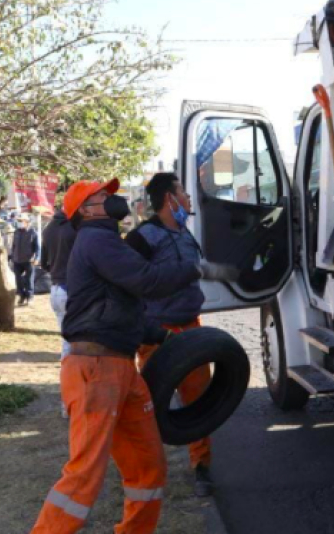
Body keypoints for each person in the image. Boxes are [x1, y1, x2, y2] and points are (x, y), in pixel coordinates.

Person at [31, 178, 238, 534]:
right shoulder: (96, 240)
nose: (114, 199)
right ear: (86, 209)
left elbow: (124, 308)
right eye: (103, 196)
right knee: (84, 478)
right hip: (96, 370)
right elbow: (147, 281)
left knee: (148, 468)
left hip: (119, 368)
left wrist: (163, 337)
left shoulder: (107, 241)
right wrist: (197, 269)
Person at [126, 173, 216, 497]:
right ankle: (147, 470)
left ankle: (202, 466)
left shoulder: (186, 233)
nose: (188, 197)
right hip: (156, 336)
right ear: (169, 198)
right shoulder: (143, 237)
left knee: (198, 404)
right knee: (149, 409)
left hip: (190, 329)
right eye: (182, 192)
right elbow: (126, 282)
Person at [40, 202, 75, 418]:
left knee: (67, 347)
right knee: (74, 350)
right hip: (71, 290)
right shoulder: (76, 229)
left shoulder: (49, 228)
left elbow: (44, 263)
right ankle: (70, 403)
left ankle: (67, 405)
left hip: (56, 290)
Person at [11, 212, 40, 306]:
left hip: (29, 260)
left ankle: (30, 297)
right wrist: (12, 257)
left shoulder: (33, 233)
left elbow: (38, 248)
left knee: (29, 280)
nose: (19, 222)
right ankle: (22, 296)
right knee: (18, 280)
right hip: (17, 260)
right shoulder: (16, 232)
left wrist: (37, 258)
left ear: (27, 222)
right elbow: (13, 246)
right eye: (18, 221)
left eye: (21, 221)